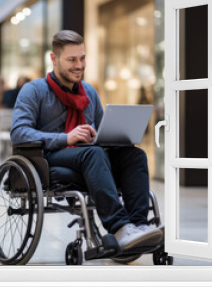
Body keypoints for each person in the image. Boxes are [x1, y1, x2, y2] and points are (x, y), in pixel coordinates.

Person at [10, 30, 163, 254]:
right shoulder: (34, 91)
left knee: (134, 155)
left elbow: (101, 133)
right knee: (94, 154)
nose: (79, 65)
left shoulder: (89, 92)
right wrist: (66, 138)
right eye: (72, 59)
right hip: (50, 157)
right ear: (54, 59)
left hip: (89, 155)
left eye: (82, 58)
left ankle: (138, 227)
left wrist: (114, 136)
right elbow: (19, 133)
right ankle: (119, 227)